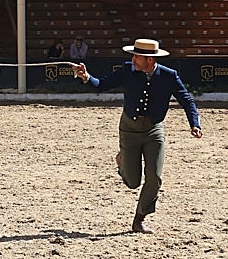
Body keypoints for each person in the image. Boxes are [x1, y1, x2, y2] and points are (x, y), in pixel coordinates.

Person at [72, 38, 203, 234]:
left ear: (149, 60)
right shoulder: (127, 70)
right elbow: (101, 85)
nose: (133, 59)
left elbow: (187, 100)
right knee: (133, 182)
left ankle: (139, 219)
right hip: (129, 129)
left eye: (137, 56)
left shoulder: (169, 76)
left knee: (155, 177)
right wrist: (86, 76)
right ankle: (121, 161)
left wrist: (195, 124)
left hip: (154, 130)